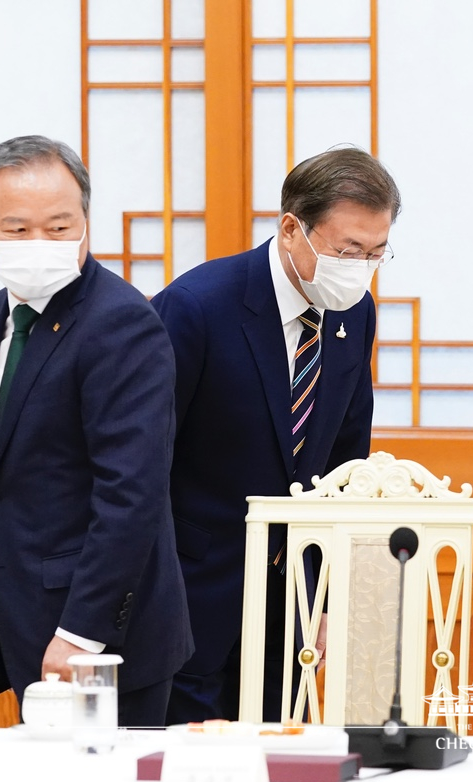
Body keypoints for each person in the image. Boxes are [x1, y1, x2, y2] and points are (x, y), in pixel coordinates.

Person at [153, 146, 399, 724]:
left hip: (291, 608)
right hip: (194, 597)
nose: (359, 269)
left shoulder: (352, 314)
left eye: (376, 254)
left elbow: (345, 459)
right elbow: (146, 462)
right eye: (347, 251)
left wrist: (328, 593)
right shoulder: (196, 307)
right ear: (292, 228)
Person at [0, 135, 193, 725]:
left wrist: (80, 634)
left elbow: (131, 494)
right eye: (17, 230)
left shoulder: (121, 323)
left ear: (86, 223)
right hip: (24, 618)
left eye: (60, 227)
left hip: (103, 639)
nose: (40, 244)